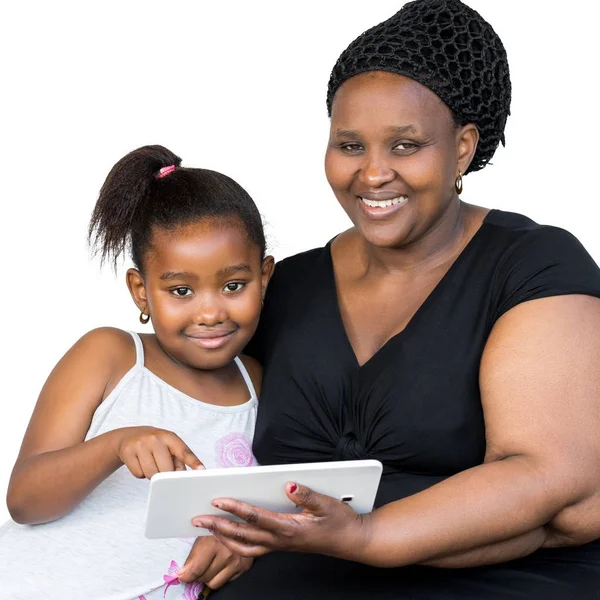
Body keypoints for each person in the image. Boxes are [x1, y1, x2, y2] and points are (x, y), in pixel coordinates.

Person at [181, 0, 600, 598]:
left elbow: (556, 483)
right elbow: (191, 407)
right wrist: (234, 520)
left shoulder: (533, 267)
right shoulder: (288, 287)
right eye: (350, 146)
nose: (373, 173)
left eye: (404, 146)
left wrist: (366, 535)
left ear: (461, 147)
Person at [0, 145, 274, 599]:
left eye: (233, 285)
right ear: (141, 292)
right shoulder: (110, 355)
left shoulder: (260, 386)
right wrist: (116, 444)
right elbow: (25, 500)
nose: (210, 312)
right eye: (181, 290)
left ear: (264, 278)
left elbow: (267, 507)